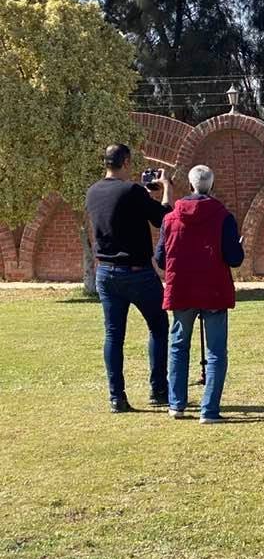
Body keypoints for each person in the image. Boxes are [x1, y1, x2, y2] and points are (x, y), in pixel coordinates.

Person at [85, 144, 172, 413]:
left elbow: (118, 214)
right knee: (158, 327)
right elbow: (162, 219)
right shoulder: (132, 191)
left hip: (106, 273)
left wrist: (144, 196)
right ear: (125, 162)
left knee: (114, 335)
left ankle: (116, 397)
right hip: (137, 273)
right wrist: (166, 187)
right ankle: (158, 390)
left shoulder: (93, 192)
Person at [155, 165, 244, 424]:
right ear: (211, 187)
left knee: (178, 346)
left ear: (190, 185)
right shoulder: (223, 216)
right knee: (216, 351)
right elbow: (234, 258)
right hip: (213, 289)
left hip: (182, 288)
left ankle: (176, 404)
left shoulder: (170, 218)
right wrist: (239, 248)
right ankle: (209, 410)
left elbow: (161, 258)